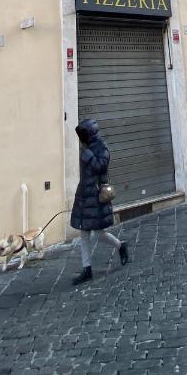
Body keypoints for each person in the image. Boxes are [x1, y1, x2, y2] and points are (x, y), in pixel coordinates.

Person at [70, 118, 128, 284]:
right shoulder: (86, 147)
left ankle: (120, 245)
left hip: (96, 195)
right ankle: (86, 269)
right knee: (84, 233)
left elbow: (100, 167)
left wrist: (87, 154)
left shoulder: (101, 148)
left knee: (99, 233)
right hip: (84, 195)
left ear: (89, 134)